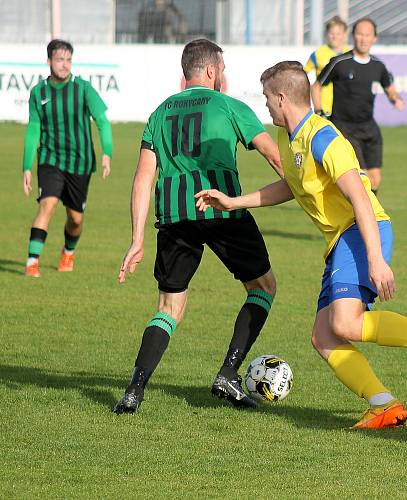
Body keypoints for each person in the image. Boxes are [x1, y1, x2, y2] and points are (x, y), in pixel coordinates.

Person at [195, 61, 407, 429]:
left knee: (345, 324)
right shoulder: (290, 137)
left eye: (268, 97)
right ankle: (384, 405)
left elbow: (361, 199)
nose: (265, 105)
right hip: (339, 241)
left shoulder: (323, 138)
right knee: (324, 337)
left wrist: (376, 259)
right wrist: (235, 202)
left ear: (282, 98)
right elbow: (292, 186)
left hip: (361, 231)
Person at [113, 39, 283, 414]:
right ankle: (228, 372)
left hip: (174, 218)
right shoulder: (229, 105)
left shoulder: (159, 113)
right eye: (222, 69)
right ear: (210, 70)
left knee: (169, 305)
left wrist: (137, 238)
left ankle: (134, 390)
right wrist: (307, 193)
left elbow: (143, 178)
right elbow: (274, 154)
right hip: (222, 210)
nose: (224, 75)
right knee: (263, 287)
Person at [22, 39, 113, 277]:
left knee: (75, 219)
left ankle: (68, 252)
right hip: (50, 160)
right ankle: (32, 262)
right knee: (47, 205)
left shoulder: (82, 88)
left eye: (68, 60)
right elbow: (33, 129)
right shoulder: (38, 92)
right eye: (60, 59)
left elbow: (102, 121)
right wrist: (27, 167)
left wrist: (107, 153)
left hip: (80, 163)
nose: (64, 65)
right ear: (49, 61)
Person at [312, 17, 403, 194]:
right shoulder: (339, 62)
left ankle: (368, 217)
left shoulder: (378, 66)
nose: (363, 39)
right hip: (344, 128)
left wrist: (395, 99)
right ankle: (364, 219)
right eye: (360, 34)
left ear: (374, 38)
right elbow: (316, 86)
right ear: (353, 36)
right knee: (362, 179)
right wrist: (319, 112)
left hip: (369, 128)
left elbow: (390, 89)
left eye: (367, 35)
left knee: (375, 180)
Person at [304, 16, 349, 118]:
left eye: (338, 34)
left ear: (344, 35)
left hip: (345, 108)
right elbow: (303, 74)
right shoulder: (318, 54)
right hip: (324, 108)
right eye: (331, 33)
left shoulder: (349, 54)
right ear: (327, 34)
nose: (334, 37)